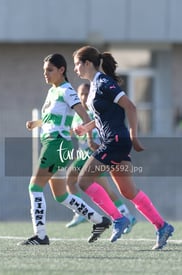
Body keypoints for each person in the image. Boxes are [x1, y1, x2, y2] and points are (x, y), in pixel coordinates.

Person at [72, 45, 174, 250]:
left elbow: (131, 106)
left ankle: (118, 219)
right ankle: (162, 226)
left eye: (76, 64)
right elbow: (104, 117)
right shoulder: (94, 86)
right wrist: (86, 127)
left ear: (88, 63)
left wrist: (134, 136)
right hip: (115, 141)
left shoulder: (103, 82)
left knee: (83, 180)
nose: (75, 69)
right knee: (128, 191)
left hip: (116, 141)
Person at [18, 53, 111, 246]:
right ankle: (99, 220)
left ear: (62, 70)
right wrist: (36, 123)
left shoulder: (67, 90)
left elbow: (84, 115)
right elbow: (53, 118)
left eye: (50, 70)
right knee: (61, 195)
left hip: (56, 144)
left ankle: (41, 235)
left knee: (34, 187)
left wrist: (89, 137)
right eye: (44, 71)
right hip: (55, 143)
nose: (46, 74)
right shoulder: (53, 91)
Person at [65, 83, 137, 234]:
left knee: (70, 177)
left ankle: (80, 212)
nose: (84, 97)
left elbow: (93, 126)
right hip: (91, 155)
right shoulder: (77, 115)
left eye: (86, 93)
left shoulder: (93, 112)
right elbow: (75, 130)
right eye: (81, 94)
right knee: (106, 188)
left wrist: (91, 139)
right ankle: (127, 215)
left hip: (93, 154)